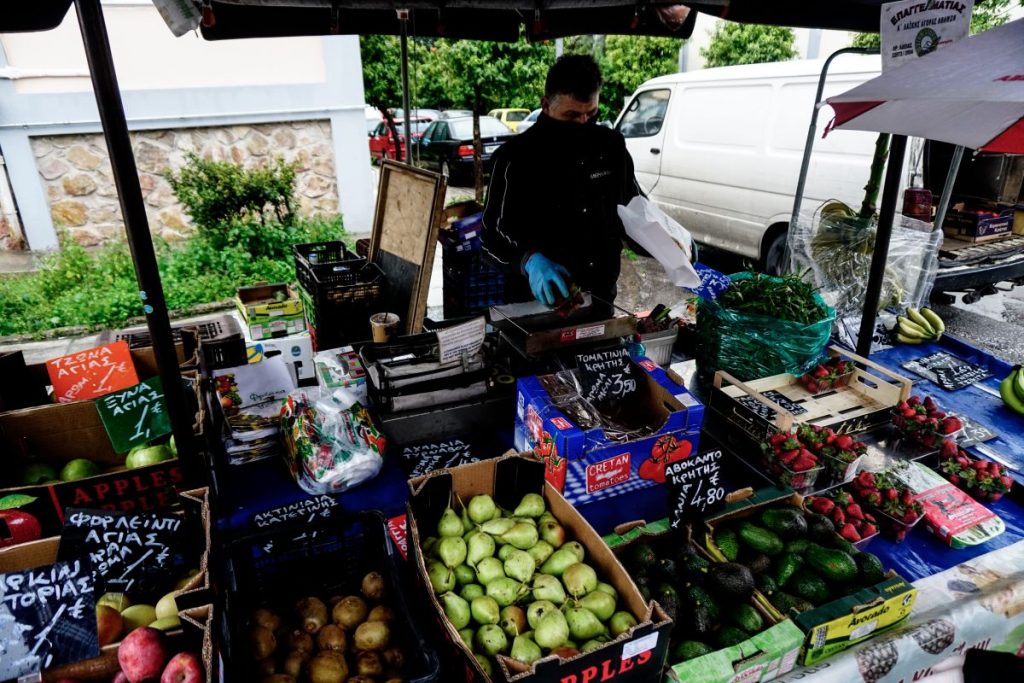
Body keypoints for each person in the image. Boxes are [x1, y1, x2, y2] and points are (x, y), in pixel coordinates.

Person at [481, 54, 641, 309]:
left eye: (591, 114)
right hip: (536, 305)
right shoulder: (514, 158)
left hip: (600, 298)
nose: (583, 123)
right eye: (571, 115)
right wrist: (529, 261)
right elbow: (491, 235)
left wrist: (667, 240)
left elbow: (634, 210)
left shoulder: (611, 147)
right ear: (546, 105)